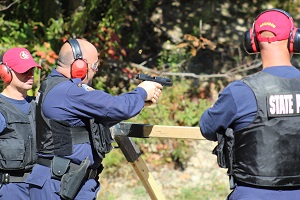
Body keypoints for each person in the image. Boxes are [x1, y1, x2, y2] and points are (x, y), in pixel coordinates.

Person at [26, 38, 163, 200]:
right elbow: (116, 107)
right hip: (59, 184)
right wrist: (141, 92)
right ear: (79, 66)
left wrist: (140, 102)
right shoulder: (68, 91)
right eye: (95, 66)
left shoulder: (56, 87)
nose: (96, 71)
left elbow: (102, 116)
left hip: (62, 181)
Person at [199, 8, 300, 200]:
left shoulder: (240, 91)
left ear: (252, 42)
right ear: (294, 39)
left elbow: (207, 127)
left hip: (252, 193)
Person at [0, 47, 42, 199]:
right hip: (10, 190)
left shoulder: (38, 106)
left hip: (39, 187)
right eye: (23, 70)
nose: (30, 74)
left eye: (32, 69)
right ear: (5, 72)